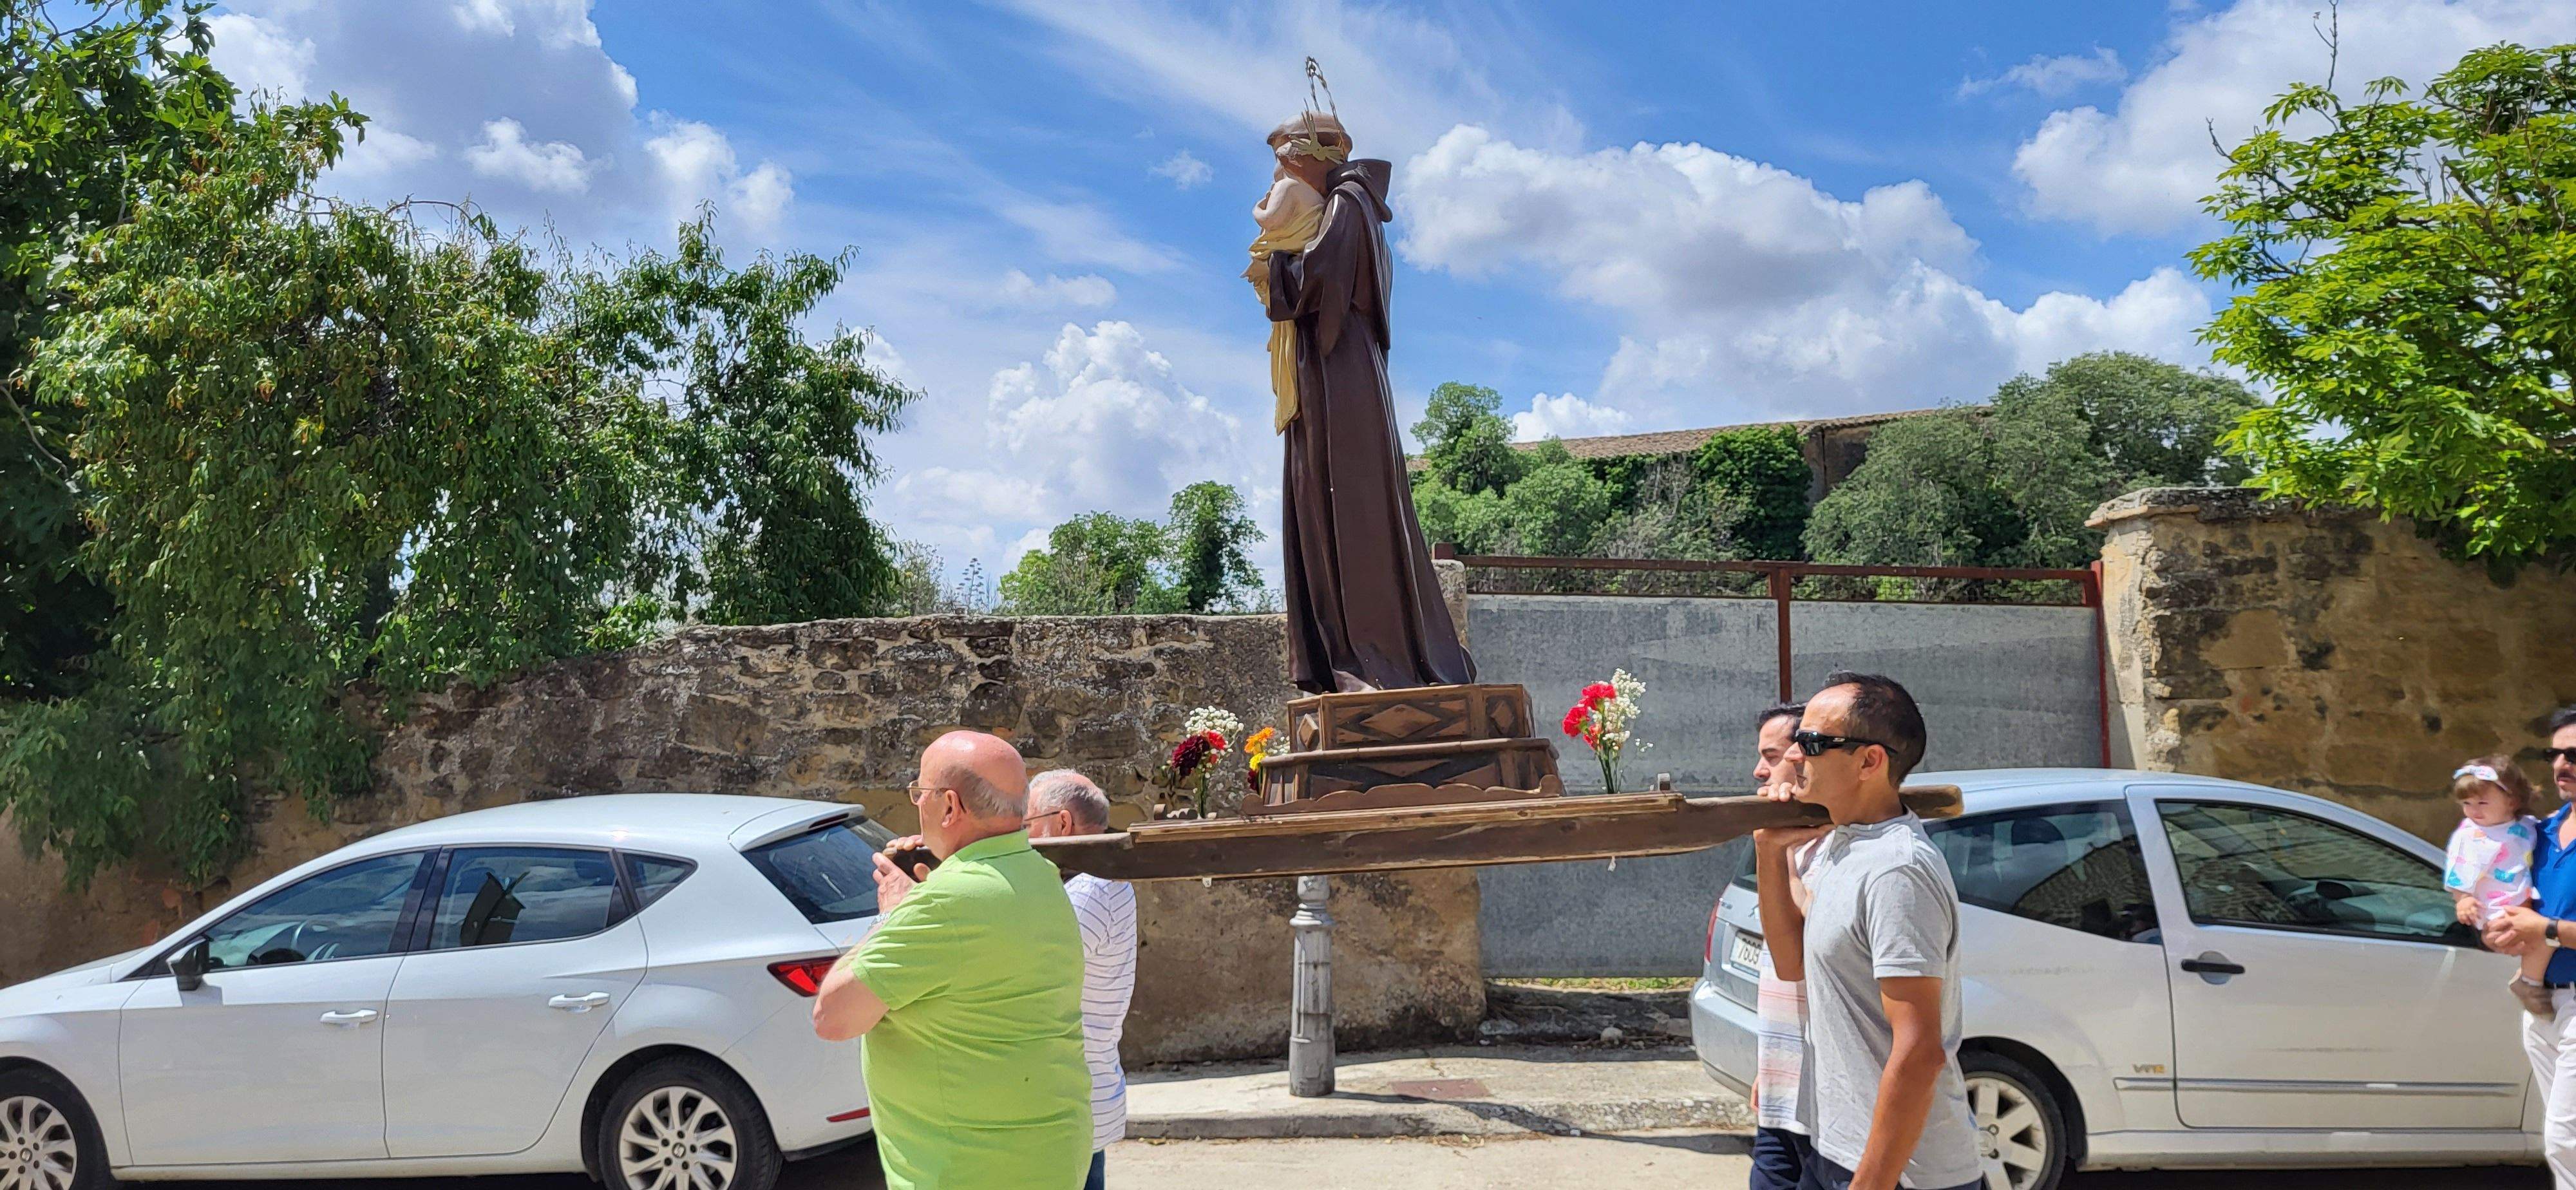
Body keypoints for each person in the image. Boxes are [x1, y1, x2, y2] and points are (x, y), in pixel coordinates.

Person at [811, 732, 1091, 1190]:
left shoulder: (944, 904)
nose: (917, 806)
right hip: (1050, 1156)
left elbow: (833, 1018)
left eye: (920, 793)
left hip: (968, 1170)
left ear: (949, 807)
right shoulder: (1038, 874)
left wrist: (893, 918)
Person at [1261, 110, 1474, 694]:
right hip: (1325, 371)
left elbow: (1320, 282)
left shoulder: (1349, 204)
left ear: (1317, 155)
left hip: (1341, 372)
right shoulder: (1341, 206)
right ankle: (1342, 656)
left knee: (1351, 500)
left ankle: (1375, 656)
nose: (1278, 170)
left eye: (1285, 155)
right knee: (1319, 500)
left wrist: (1274, 266)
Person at [1751, 673, 1980, 1190]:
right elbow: (1793, 964)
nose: (1793, 757)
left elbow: (1920, 1050)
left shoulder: (1896, 870)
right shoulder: (1846, 846)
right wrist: (1771, 851)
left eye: (1811, 743)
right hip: (1837, 1149)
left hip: (1903, 1173)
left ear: (1870, 761)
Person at [1025, 770, 1139, 1190]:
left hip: (1070, 1102)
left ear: (1062, 823)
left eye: (1029, 822)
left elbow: (1027, 970)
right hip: (1081, 1096)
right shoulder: (1096, 881)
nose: (1025, 835)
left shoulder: (1090, 891)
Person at [2484, 704, 2576, 1188]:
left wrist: (2545, 929)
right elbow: (2510, 905)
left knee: (2566, 1139)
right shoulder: (2538, 831)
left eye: (2575, 754)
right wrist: (2499, 932)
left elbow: (2542, 923)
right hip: (2540, 1002)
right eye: (2556, 754)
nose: (2563, 765)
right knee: (2563, 1144)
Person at [1745, 701, 1817, 1190]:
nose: (1758, 770)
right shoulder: (1791, 842)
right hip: (1782, 1092)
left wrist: (1780, 849)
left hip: (1825, 1102)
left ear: (1803, 755)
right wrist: (1768, 1067)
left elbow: (1799, 952)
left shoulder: (1833, 844)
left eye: (1771, 756)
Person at [2444, 755, 2548, 1014]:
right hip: (2494, 911)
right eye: (2467, 803)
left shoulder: (2524, 826)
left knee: (2542, 938)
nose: (2473, 810)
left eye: (2482, 802)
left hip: (2522, 901)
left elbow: (2544, 829)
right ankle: (2528, 983)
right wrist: (2463, 900)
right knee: (2536, 941)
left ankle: (2528, 978)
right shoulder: (2471, 836)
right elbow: (2460, 871)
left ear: (2512, 801)